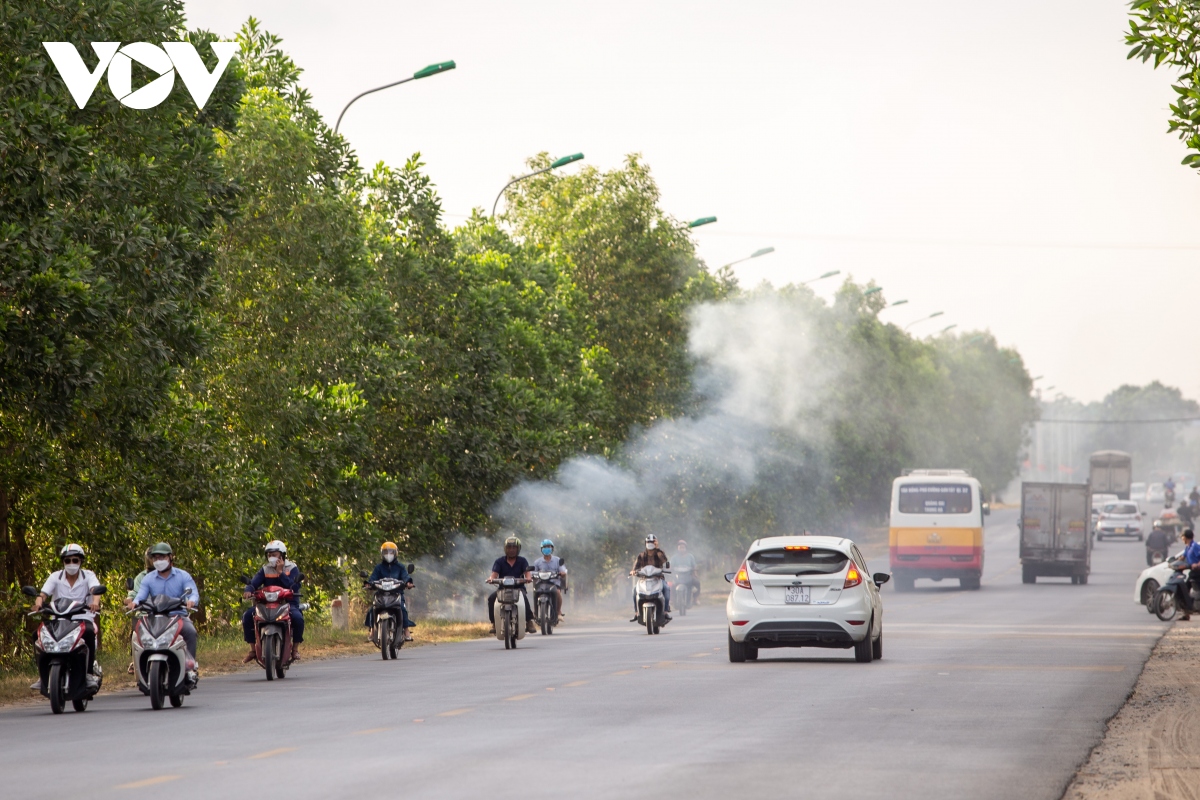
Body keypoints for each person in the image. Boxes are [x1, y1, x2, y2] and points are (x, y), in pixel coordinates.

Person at [32, 544, 102, 689]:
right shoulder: (55, 577)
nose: (71, 564)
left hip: (82, 619)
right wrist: (39, 603)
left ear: (81, 561)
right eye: (67, 561)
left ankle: (88, 674)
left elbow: (95, 590)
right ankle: (43, 675)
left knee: (89, 633)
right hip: (58, 621)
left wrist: (95, 603)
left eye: (75, 560)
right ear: (63, 562)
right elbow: (43, 594)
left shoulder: (88, 576)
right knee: (36, 635)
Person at [131, 542, 199, 668]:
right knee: (137, 634)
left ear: (170, 557)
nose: (159, 561)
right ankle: (138, 666)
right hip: (154, 619)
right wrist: (134, 603)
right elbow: (140, 596)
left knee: (190, 632)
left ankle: (190, 665)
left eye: (162, 557)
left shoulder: (183, 576)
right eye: (156, 558)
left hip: (177, 616)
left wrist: (191, 600)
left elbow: (193, 592)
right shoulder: (148, 579)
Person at [242, 540, 304, 662]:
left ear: (282, 555)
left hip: (288, 602)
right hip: (267, 603)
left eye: (274, 554)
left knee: (298, 618)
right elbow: (254, 583)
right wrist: (248, 590)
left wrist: (280, 572)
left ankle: (295, 649)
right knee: (247, 616)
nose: (271, 557)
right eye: (269, 555)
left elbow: (294, 587)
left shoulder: (292, 568)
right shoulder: (265, 569)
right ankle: (253, 650)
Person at [365, 541, 415, 642]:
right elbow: (373, 578)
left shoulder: (400, 567)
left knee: (402, 608)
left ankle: (406, 630)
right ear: (382, 554)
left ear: (395, 553)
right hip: (381, 594)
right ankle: (372, 631)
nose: (388, 555)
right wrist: (369, 584)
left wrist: (408, 583)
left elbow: (406, 577)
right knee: (372, 609)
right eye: (386, 552)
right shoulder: (378, 567)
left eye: (391, 552)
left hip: (397, 594)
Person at [488, 536, 536, 634]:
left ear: (518, 549)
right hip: (502, 589)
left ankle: (529, 621)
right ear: (505, 549)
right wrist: (491, 579)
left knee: (524, 598)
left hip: (518, 588)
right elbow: (494, 574)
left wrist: (528, 578)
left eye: (514, 547)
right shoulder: (499, 561)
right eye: (509, 548)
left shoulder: (522, 561)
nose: (511, 550)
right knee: (491, 598)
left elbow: (527, 573)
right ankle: (493, 623)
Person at [630, 534, 671, 623]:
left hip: (658, 579)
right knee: (634, 590)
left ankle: (665, 611)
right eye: (649, 542)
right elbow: (636, 566)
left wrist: (657, 548)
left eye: (653, 542)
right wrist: (633, 571)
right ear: (645, 543)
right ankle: (636, 612)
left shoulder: (659, 553)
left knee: (667, 588)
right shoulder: (641, 555)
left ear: (656, 543)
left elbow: (664, 560)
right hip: (644, 580)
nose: (650, 543)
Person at [529, 539, 568, 624]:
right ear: (541, 549)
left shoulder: (557, 560)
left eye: (549, 547)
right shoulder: (537, 562)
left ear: (552, 548)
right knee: (535, 592)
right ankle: (535, 613)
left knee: (558, 592)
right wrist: (532, 574)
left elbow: (563, 570)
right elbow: (532, 572)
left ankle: (558, 612)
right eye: (545, 547)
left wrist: (562, 573)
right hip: (541, 583)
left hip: (554, 584)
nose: (547, 548)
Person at [1173, 529, 1200, 621]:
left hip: (1198, 573)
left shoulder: (1195, 546)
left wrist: (1197, 564)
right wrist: (1173, 563)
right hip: (1192, 573)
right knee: (1184, 592)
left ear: (1185, 537)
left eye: (1182, 537)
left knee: (1195, 591)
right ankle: (1186, 613)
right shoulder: (1188, 547)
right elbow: (1182, 557)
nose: (1181, 539)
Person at [672, 539, 700, 608]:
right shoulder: (674, 557)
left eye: (683, 547)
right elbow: (670, 566)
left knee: (697, 583)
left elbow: (694, 566)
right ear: (678, 548)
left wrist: (695, 573)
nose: (682, 549)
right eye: (680, 547)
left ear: (685, 548)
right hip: (678, 576)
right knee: (671, 586)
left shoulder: (690, 557)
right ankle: (673, 601)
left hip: (688, 575)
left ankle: (695, 599)